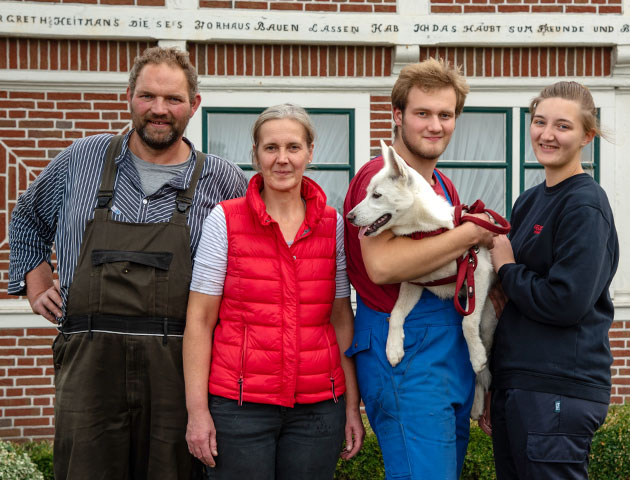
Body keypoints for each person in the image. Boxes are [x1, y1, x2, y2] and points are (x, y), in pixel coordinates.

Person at [8, 46, 248, 480]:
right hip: (89, 362)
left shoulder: (223, 178)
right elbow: (26, 215)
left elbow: (248, 264)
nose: (159, 110)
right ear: (128, 97)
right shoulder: (81, 158)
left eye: (173, 99)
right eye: (147, 96)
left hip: (179, 365)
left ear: (194, 104)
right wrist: (35, 279)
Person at [183, 103, 365, 479]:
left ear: (310, 153)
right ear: (256, 154)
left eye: (293, 147)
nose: (282, 159)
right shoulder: (225, 220)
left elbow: (341, 317)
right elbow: (200, 321)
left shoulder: (331, 225)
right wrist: (198, 412)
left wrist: (351, 405)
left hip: (318, 408)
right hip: (239, 407)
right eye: (271, 148)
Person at [343, 58, 496, 480]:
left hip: (450, 344)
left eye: (445, 115)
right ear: (398, 115)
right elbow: (381, 265)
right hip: (406, 347)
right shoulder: (379, 177)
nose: (435, 125)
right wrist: (470, 234)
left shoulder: (441, 185)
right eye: (422, 113)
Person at [481, 81, 619, 479]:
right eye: (539, 122)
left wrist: (507, 269)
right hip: (521, 381)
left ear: (586, 136)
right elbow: (511, 305)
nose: (547, 134)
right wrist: (497, 381)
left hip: (558, 386)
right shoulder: (529, 200)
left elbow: (567, 301)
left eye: (562, 126)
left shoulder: (585, 204)